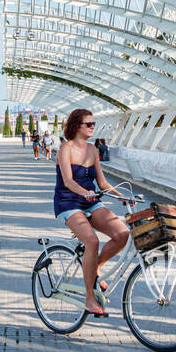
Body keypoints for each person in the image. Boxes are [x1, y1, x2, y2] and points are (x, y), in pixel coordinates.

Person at [55, 108, 129, 317]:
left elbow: (102, 182)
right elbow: (68, 181)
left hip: (90, 201)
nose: (92, 127)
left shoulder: (93, 150)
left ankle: (94, 268)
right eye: (88, 124)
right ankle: (89, 296)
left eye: (93, 124)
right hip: (68, 202)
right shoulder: (65, 149)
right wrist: (84, 192)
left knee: (122, 234)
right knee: (92, 241)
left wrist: (121, 195)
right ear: (76, 126)